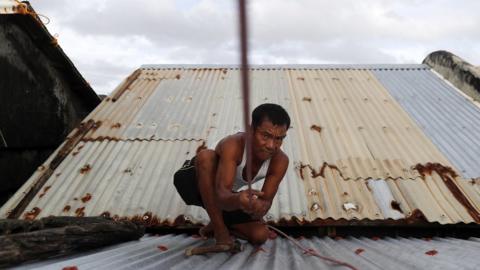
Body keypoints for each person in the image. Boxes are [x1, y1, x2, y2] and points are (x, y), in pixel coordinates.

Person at [174, 103, 290, 248]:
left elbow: (265, 203)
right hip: (192, 182)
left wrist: (257, 207)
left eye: (279, 138)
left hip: (224, 196)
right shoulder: (233, 144)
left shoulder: (280, 161)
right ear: (251, 130)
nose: (271, 145)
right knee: (206, 157)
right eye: (265, 135)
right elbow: (222, 195)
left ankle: (217, 225)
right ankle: (220, 230)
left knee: (259, 235)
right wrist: (238, 200)